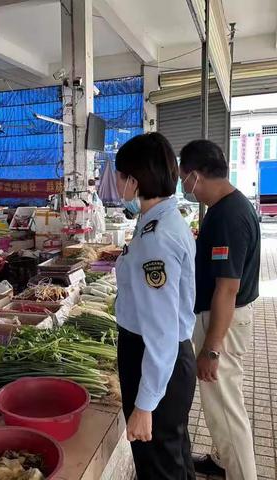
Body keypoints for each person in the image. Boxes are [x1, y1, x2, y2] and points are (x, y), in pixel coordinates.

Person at [115, 132, 197, 480]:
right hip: (165, 358)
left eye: (119, 176)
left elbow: (161, 331)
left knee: (158, 467)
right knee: (174, 457)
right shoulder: (160, 220)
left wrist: (145, 404)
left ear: (134, 180)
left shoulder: (156, 238)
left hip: (154, 356)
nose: (117, 183)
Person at [180, 140, 260, 480]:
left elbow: (227, 289)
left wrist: (212, 349)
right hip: (222, 318)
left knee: (226, 409)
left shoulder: (228, 216)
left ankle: (242, 474)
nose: (184, 186)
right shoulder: (228, 206)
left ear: (196, 175)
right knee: (222, 405)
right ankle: (222, 459)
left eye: (184, 178)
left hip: (222, 323)